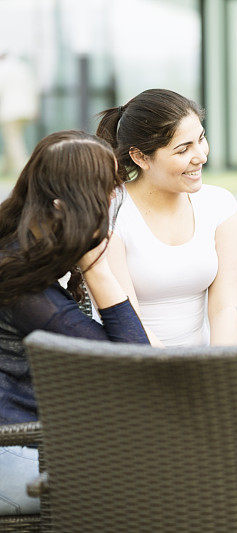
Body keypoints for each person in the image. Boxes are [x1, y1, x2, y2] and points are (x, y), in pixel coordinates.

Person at [0, 131, 150, 515]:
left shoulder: (22, 252)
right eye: (107, 190)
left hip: (31, 446)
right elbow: (134, 366)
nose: (115, 199)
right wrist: (98, 268)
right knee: (163, 479)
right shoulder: (23, 286)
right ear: (67, 205)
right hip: (15, 453)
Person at [96, 89, 237, 347]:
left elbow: (225, 311)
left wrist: (223, 373)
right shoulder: (111, 211)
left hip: (195, 368)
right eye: (183, 150)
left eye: (201, 139)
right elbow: (128, 323)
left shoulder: (220, 205)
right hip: (132, 366)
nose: (201, 156)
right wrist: (176, 376)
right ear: (140, 157)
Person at [0, 51, 39, 176]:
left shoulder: (3, 68)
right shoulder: (23, 68)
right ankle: (5, 169)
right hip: (26, 109)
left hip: (11, 111)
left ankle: (24, 171)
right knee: (12, 139)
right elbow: (34, 88)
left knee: (13, 141)